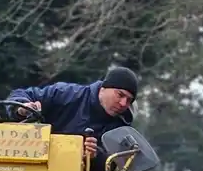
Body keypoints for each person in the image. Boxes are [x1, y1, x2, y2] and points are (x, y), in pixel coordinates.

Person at [7, 65, 139, 164]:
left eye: (129, 100)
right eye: (120, 95)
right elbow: (21, 94)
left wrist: (94, 156)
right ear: (103, 88)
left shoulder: (121, 126)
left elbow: (115, 163)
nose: (123, 103)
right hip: (38, 163)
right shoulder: (66, 94)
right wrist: (22, 107)